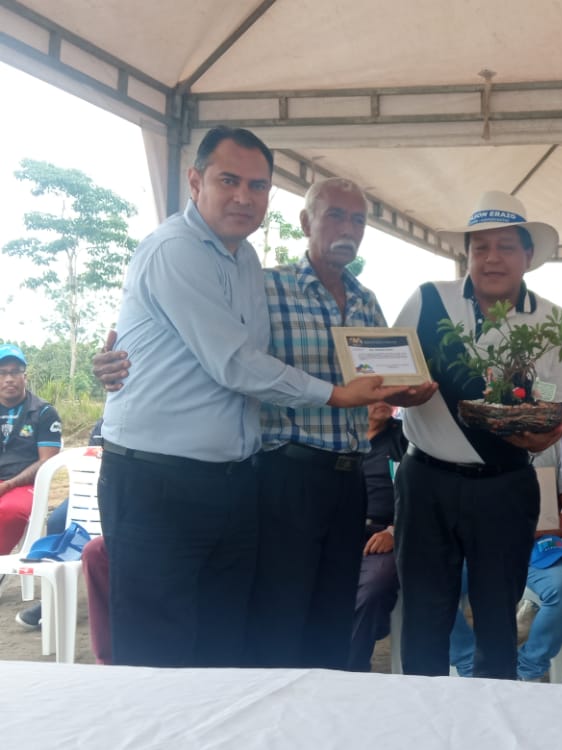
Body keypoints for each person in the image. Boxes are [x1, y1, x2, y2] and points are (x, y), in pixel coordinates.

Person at [97, 127, 406, 668]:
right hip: (164, 477)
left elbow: (185, 344)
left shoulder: (245, 264)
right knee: (160, 649)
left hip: (239, 480)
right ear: (196, 182)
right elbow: (236, 362)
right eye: (229, 180)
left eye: (258, 186)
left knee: (230, 642)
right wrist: (338, 395)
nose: (244, 196)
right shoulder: (181, 251)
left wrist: (404, 390)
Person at [246, 177, 434, 670]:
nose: (348, 229)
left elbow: (383, 382)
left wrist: (407, 394)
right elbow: (231, 362)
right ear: (305, 222)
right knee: (280, 614)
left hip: (349, 479)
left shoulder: (366, 300)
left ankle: (328, 708)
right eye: (335, 215)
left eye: (357, 220)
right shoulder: (267, 288)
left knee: (333, 615)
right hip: (286, 475)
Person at [392, 190, 562, 679]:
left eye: (506, 247)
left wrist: (545, 432)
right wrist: (399, 392)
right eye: (481, 247)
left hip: (505, 484)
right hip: (425, 480)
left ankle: (494, 713)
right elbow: (391, 369)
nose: (492, 258)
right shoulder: (429, 300)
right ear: (467, 254)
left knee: (497, 616)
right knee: (425, 616)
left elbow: (558, 408)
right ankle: (425, 715)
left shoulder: (551, 319)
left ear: (527, 255)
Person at [449, 442, 562, 681]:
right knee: (427, 584)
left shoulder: (553, 445)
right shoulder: (464, 442)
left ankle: (527, 670)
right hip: (472, 545)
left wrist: (537, 529)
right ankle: (469, 667)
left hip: (536, 546)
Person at [16, 419, 103, 631]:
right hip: (98, 488)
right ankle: (54, 599)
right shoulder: (104, 422)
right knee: (57, 520)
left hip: (136, 491)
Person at [347, 401, 407, 671]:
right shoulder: (343, 436)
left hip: (385, 534)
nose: (382, 401)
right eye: (373, 395)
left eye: (387, 394)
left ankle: (352, 669)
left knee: (373, 587)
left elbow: (421, 493)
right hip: (340, 532)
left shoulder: (403, 437)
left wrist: (394, 530)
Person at [0, 344, 61, 556]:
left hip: (25, 483)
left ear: (25, 376)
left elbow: (46, 461)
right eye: (3, 373)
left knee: (9, 511)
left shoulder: (44, 412)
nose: (9, 379)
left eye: (15, 372)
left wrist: (8, 484)